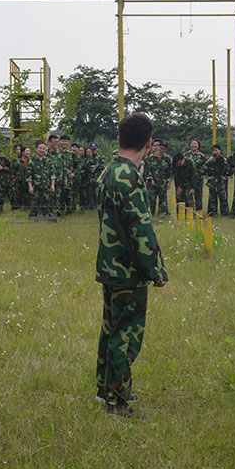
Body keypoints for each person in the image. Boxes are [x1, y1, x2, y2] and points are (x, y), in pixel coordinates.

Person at [95, 113, 168, 417]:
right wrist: (156, 269)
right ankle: (117, 399)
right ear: (149, 142)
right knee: (126, 335)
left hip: (111, 266)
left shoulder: (109, 170)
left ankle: (104, 389)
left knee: (111, 329)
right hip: (129, 270)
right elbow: (141, 228)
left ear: (119, 138)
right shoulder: (130, 176)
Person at [27, 140, 57, 221]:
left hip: (46, 185)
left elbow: (52, 174)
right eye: (40, 148)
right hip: (35, 186)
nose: (42, 150)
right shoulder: (31, 161)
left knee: (49, 202)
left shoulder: (49, 161)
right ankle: (33, 217)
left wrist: (52, 185)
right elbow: (28, 175)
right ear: (36, 149)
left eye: (44, 149)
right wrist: (30, 187)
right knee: (35, 202)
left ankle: (51, 218)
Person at [143, 140, 170, 216]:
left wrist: (169, 181)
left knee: (163, 199)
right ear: (158, 148)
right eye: (161, 148)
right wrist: (150, 179)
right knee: (151, 199)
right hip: (152, 182)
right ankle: (150, 213)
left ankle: (163, 213)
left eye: (164, 149)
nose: (162, 150)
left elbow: (170, 171)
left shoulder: (168, 159)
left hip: (163, 182)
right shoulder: (151, 157)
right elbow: (147, 169)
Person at [203, 144, 230, 217]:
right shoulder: (209, 160)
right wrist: (207, 177)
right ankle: (212, 213)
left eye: (216, 150)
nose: (214, 152)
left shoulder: (224, 160)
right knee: (212, 199)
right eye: (213, 150)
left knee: (223, 199)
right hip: (212, 183)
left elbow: (229, 170)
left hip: (222, 183)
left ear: (219, 151)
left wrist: (226, 177)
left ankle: (225, 214)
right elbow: (203, 169)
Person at [187, 138, 206, 212]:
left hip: (198, 179)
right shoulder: (185, 155)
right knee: (188, 195)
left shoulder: (202, 156)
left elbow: (205, 167)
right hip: (188, 179)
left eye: (195, 144)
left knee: (198, 195)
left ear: (198, 146)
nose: (193, 145)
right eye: (192, 143)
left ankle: (199, 211)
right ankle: (189, 211)